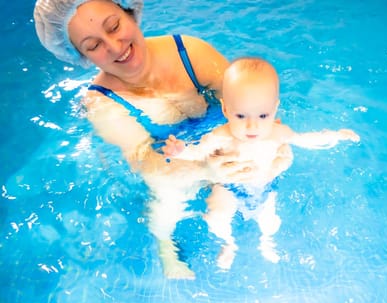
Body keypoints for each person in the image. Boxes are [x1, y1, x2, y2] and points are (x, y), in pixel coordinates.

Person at [33, 0, 293, 280]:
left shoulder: (189, 53)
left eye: (114, 26)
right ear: (82, 56)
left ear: (130, 12)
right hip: (170, 162)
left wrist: (271, 139)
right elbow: (144, 162)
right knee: (167, 200)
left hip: (222, 135)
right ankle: (166, 247)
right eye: (93, 46)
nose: (115, 46)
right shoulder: (104, 105)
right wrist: (205, 170)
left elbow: (248, 97)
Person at [162, 57, 360, 269]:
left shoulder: (278, 133)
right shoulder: (222, 136)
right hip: (229, 186)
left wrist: (335, 135)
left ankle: (266, 241)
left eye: (263, 115)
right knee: (216, 216)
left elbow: (306, 139)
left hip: (265, 187)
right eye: (240, 115)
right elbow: (199, 152)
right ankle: (229, 243)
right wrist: (180, 151)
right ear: (226, 110)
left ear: (275, 110)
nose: (252, 125)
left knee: (270, 221)